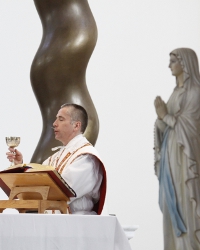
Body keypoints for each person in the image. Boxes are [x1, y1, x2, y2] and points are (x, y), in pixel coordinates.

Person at [6, 103, 106, 215]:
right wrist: (19, 166)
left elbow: (64, 191)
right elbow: (37, 181)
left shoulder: (86, 157)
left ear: (76, 126)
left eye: (61, 119)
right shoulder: (55, 157)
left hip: (76, 223)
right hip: (54, 221)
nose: (54, 124)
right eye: (56, 119)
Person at [154, 48, 200, 250]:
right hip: (170, 154)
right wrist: (160, 120)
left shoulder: (195, 93)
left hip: (186, 155)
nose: (169, 65)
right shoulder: (175, 93)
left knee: (185, 200)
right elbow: (169, 126)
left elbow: (191, 128)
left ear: (185, 64)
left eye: (173, 61)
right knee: (170, 199)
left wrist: (165, 116)